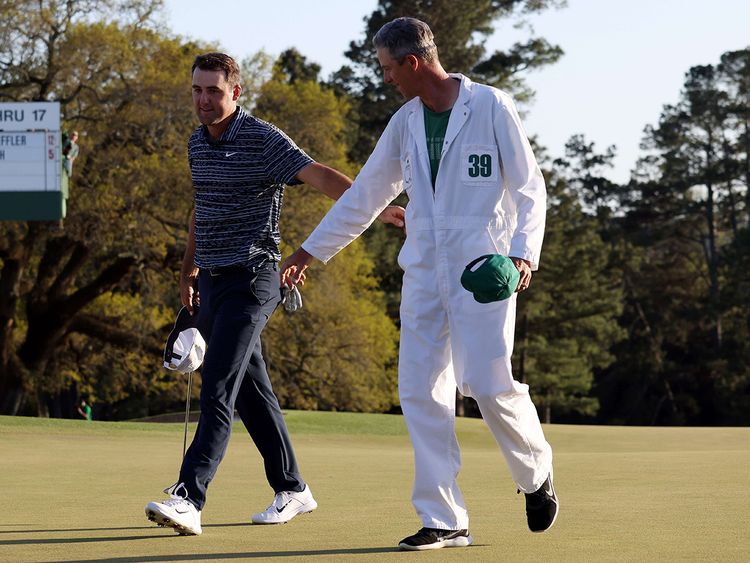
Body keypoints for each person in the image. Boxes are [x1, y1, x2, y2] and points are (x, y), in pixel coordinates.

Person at [281, 18, 558, 551]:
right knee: (419, 390)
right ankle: (444, 517)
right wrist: (308, 253)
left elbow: (529, 188)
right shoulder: (404, 122)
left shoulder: (493, 107)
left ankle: (536, 473)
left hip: (484, 271)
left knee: (487, 385)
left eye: (387, 68)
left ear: (412, 63)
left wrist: (523, 256)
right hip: (424, 272)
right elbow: (364, 196)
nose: (385, 79)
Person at [144, 52, 403, 537]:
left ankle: (188, 497)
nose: (203, 100)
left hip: (257, 278)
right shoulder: (196, 144)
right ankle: (293, 488)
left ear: (235, 93)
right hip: (214, 281)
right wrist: (188, 269)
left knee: (218, 380)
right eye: (197, 91)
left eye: (213, 91)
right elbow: (202, 209)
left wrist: (376, 206)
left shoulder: (262, 138)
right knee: (250, 391)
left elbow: (317, 172)